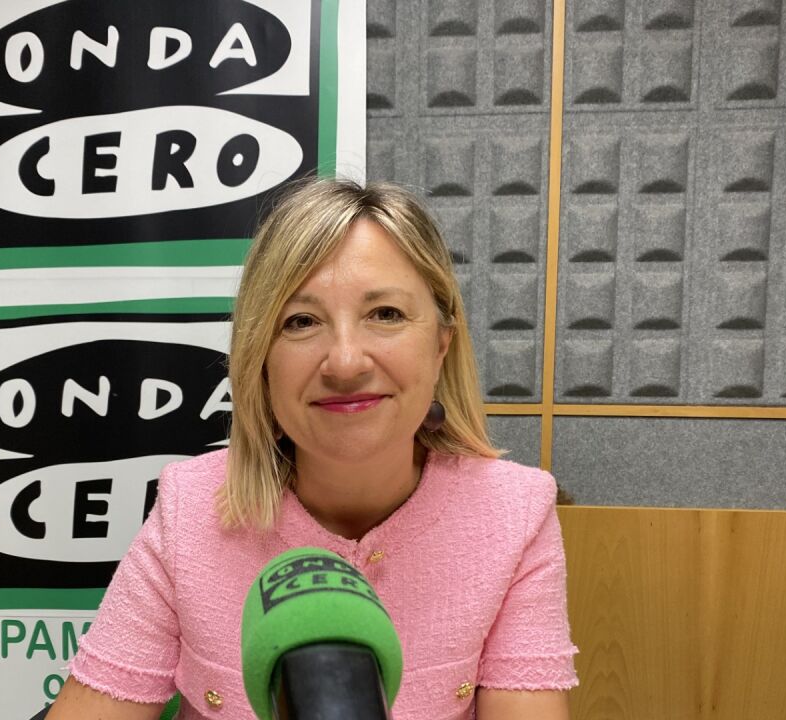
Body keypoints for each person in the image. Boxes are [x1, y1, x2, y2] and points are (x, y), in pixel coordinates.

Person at [48, 179, 577, 719]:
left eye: (386, 314)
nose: (345, 363)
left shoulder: (515, 515)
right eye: (301, 321)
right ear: (261, 355)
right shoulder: (191, 508)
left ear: (442, 343)